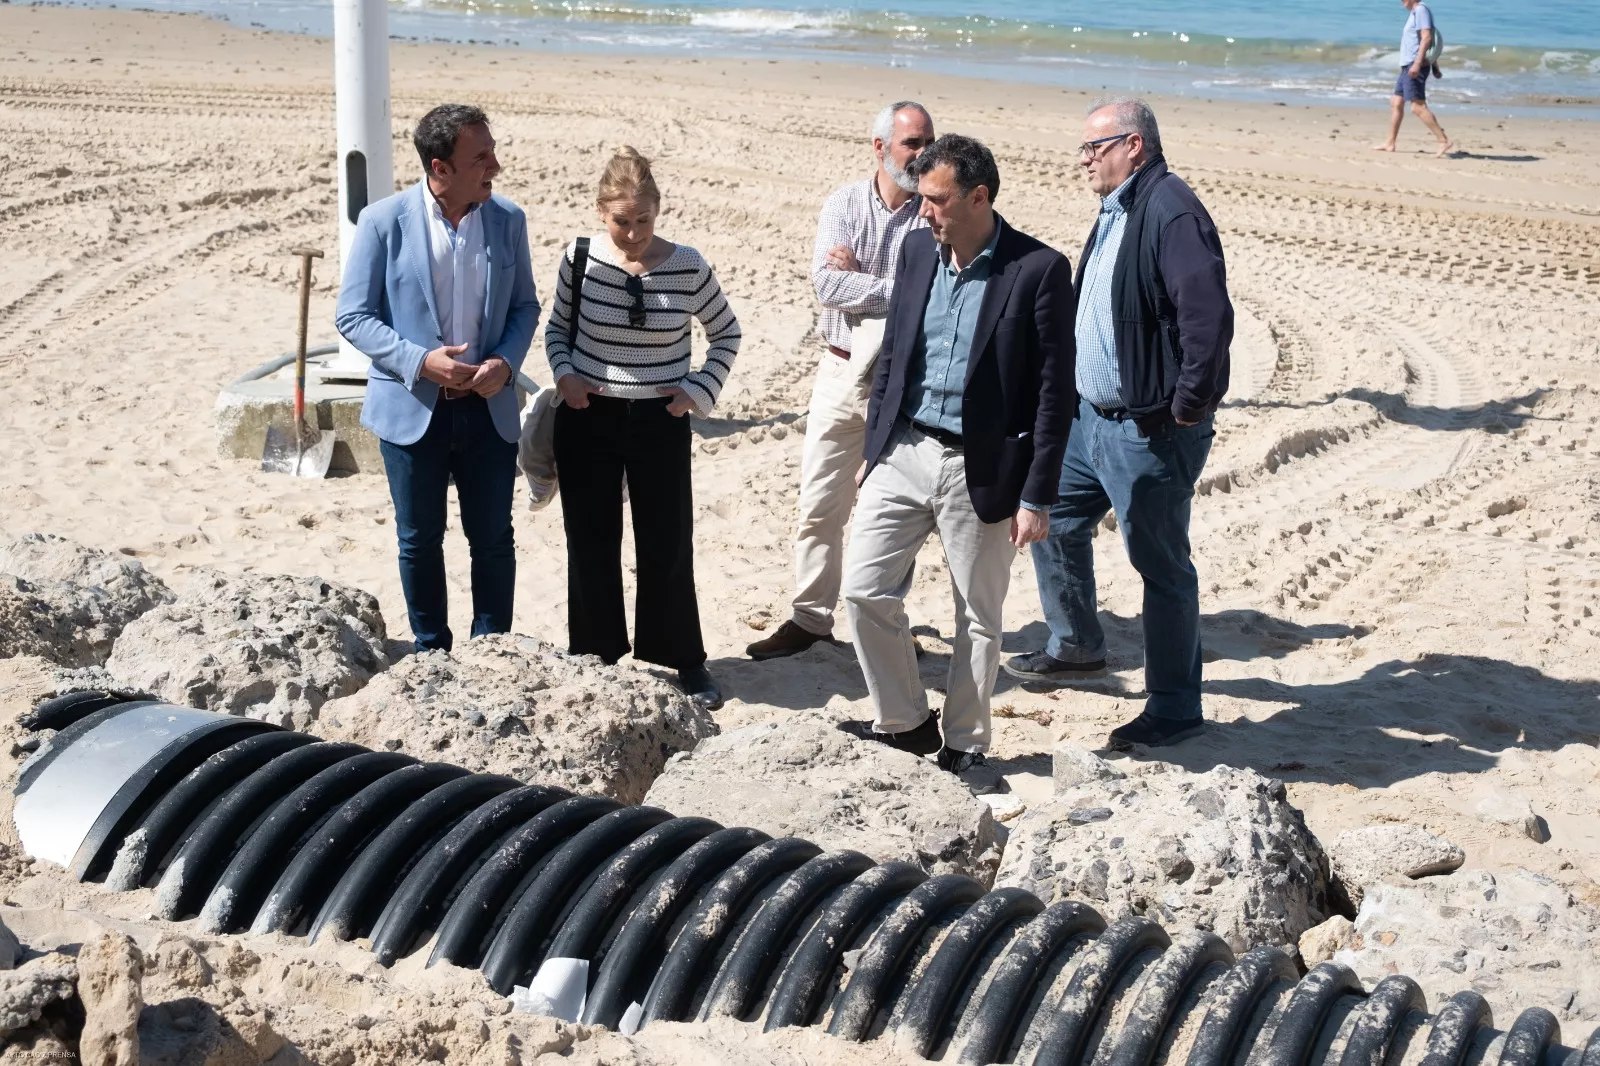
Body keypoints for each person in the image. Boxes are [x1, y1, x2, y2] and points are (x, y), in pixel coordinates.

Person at [836, 134, 1075, 774]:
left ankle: (965, 742)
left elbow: (1056, 394)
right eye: (921, 198)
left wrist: (1038, 495)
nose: (923, 212)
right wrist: (874, 444)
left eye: (936, 200)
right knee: (861, 592)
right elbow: (895, 356)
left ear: (978, 197)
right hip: (904, 448)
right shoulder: (917, 250)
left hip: (985, 467)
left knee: (978, 617)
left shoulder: (1039, 269)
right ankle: (907, 722)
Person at [1005, 97, 1230, 751]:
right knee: (1050, 518)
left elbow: (1207, 320)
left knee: (1161, 567)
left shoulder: (1172, 210)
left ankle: (1175, 708)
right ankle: (1076, 646)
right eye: (1082, 149)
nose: (1083, 160)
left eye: (1094, 147)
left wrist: (1187, 405)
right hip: (1088, 422)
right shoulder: (1118, 208)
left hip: (1148, 428)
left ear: (1135, 146)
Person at [336, 104, 540, 652]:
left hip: (489, 408)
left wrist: (505, 364)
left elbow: (525, 307)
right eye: (482, 156)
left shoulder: (509, 220)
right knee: (419, 540)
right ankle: (431, 649)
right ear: (440, 168)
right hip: (410, 409)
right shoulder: (382, 221)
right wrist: (421, 361)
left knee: (493, 539)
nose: (495, 165)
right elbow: (353, 316)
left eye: (492, 151)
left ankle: (492, 648)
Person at [544, 147, 740, 710]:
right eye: (621, 221)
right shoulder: (578, 258)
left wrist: (697, 392)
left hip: (661, 420)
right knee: (590, 541)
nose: (632, 234)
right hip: (587, 417)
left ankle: (686, 660)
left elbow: (726, 334)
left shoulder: (688, 265)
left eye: (643, 220)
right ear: (601, 213)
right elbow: (557, 330)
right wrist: (565, 378)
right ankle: (596, 656)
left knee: (667, 542)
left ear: (658, 210)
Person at [745, 102, 935, 661]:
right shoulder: (844, 203)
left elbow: (927, 296)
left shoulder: (933, 212)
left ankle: (886, 624)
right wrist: (891, 288)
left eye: (928, 141)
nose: (924, 154)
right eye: (912, 144)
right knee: (820, 501)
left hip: (904, 375)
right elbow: (827, 285)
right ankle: (809, 619)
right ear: (880, 147)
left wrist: (867, 281)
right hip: (840, 365)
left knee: (897, 509)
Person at [1373, 0, 1453, 157]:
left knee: (1417, 107)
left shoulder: (1421, 10)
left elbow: (1427, 38)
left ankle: (1443, 140)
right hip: (1407, 66)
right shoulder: (1415, 12)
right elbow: (1426, 43)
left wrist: (1417, 64)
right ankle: (1390, 142)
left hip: (1414, 66)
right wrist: (1434, 65)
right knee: (1396, 102)